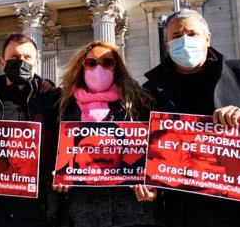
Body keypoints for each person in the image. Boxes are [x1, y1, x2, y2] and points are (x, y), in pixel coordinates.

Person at [143, 8, 240, 227]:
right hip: (186, 212)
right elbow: (142, 147)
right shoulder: (151, 90)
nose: (185, 40)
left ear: (207, 38)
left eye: (192, 33)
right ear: (167, 44)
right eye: (177, 36)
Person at [56, 40, 162, 227]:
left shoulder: (141, 102)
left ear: (116, 67)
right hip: (85, 215)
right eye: (91, 63)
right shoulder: (65, 107)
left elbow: (160, 153)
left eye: (107, 62)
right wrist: (61, 173)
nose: (99, 67)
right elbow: (56, 155)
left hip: (134, 213)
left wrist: (156, 187)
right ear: (82, 67)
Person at [0, 34, 61, 227]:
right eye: (15, 58)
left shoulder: (52, 100)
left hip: (42, 211)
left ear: (36, 63)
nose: (21, 62)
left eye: (27, 58)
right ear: (2, 62)